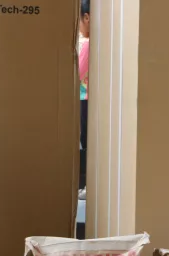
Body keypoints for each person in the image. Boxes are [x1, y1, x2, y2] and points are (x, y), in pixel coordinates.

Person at [79, 0, 90, 195]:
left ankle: (90, 185)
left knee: (88, 143)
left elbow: (78, 73)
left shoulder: (88, 44)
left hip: (86, 99)